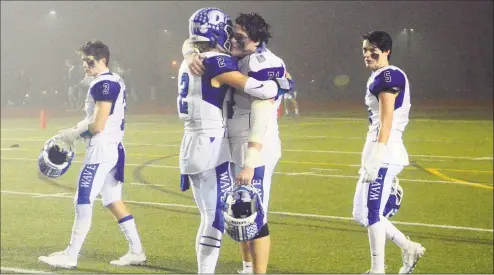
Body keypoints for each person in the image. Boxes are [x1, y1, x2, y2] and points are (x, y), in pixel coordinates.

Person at [178, 8, 293, 274]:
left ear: (256, 41)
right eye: (231, 35)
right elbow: (197, 46)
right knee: (233, 213)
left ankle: (256, 271)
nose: (232, 41)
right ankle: (246, 266)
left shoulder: (260, 61)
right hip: (221, 143)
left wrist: (251, 162)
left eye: (239, 37)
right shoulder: (221, 59)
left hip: (252, 145)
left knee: (253, 213)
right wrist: (190, 50)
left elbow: (263, 110)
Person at [38, 40, 146, 269]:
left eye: (89, 61)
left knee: (82, 199)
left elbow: (97, 126)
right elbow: (94, 119)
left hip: (101, 150)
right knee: (112, 201)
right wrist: (74, 130)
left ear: (103, 60)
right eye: (83, 62)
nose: (85, 66)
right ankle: (136, 251)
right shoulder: (114, 79)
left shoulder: (103, 84)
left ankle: (71, 255)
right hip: (114, 147)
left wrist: (75, 133)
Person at [351, 31, 425, 274]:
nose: (367, 54)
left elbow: (387, 120)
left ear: (386, 51)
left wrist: (377, 156)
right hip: (376, 148)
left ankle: (377, 270)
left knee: (372, 212)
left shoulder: (389, 75)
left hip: (385, 150)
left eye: (372, 49)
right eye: (364, 50)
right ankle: (408, 247)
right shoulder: (378, 76)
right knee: (360, 213)